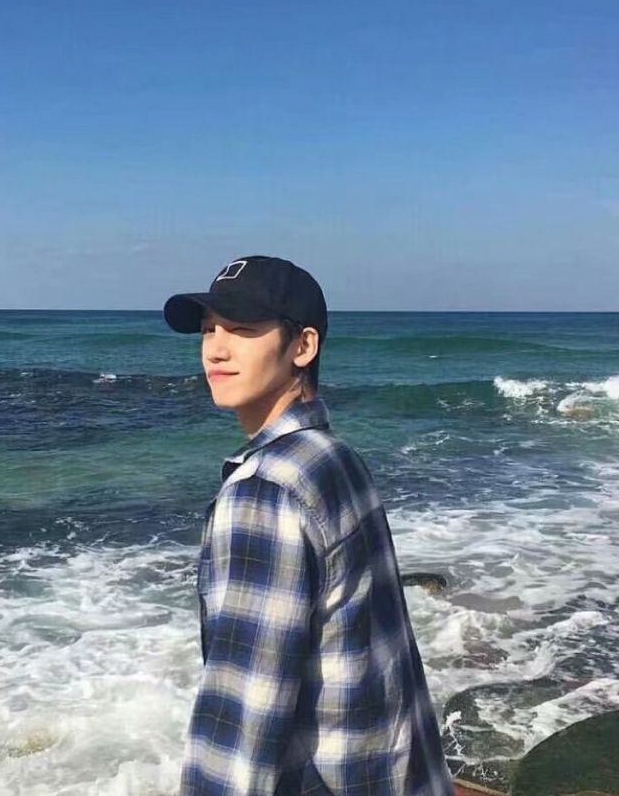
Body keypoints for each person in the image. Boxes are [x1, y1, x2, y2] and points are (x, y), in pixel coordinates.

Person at [163, 255, 453, 796]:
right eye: (208, 330)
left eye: (242, 330)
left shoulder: (265, 489)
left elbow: (245, 715)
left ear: (303, 346)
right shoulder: (334, 458)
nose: (215, 350)